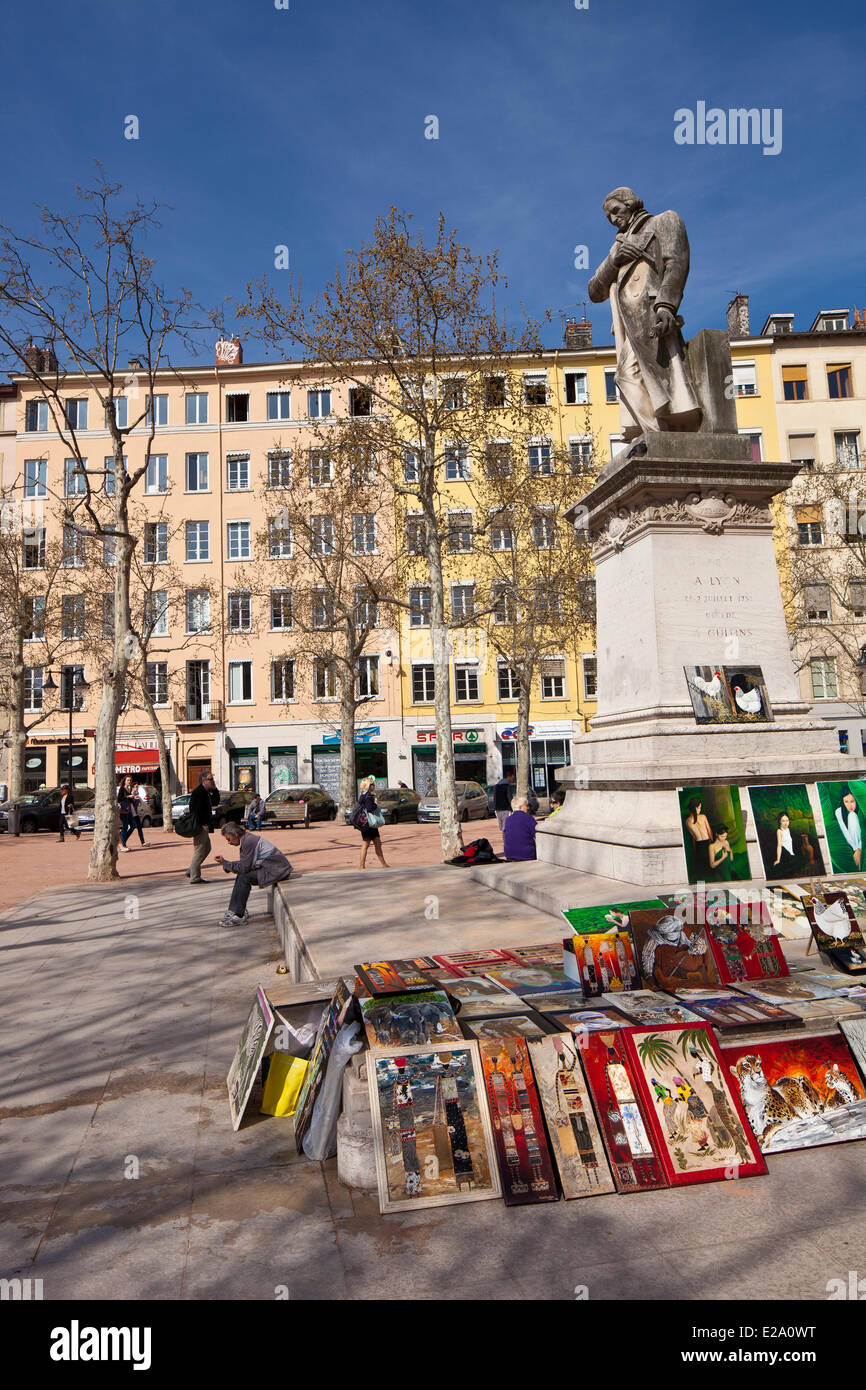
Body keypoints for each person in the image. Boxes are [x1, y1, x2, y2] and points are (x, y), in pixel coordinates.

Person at [588, 186, 701, 444]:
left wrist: (666, 305)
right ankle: (657, 436)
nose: (614, 219)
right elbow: (594, 291)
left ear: (631, 204)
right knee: (625, 377)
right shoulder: (617, 247)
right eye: (609, 217)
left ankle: (660, 437)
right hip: (630, 324)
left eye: (616, 211)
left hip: (653, 315)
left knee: (635, 376)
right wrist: (614, 260)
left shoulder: (664, 221)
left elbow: (677, 264)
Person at [214, 823, 293, 928]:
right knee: (242, 876)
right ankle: (235, 910)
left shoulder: (249, 842)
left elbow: (244, 868)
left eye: (229, 839)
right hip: (272, 868)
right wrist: (226, 863)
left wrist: (226, 864)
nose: (229, 842)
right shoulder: (247, 839)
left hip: (277, 870)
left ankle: (239, 915)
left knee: (244, 877)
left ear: (236, 835)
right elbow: (246, 864)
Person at [187, 770, 219, 883]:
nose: (212, 781)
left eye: (212, 779)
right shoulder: (198, 792)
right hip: (200, 825)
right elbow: (194, 810)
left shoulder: (206, 792)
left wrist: (215, 789)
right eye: (210, 779)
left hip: (204, 825)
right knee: (199, 850)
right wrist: (199, 824)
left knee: (207, 848)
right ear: (204, 781)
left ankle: (192, 869)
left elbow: (216, 802)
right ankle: (194, 876)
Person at [354, 775, 389, 869]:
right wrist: (376, 803)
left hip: (365, 823)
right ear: (368, 786)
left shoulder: (362, 795)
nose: (374, 786)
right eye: (372, 784)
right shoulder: (368, 796)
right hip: (369, 824)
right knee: (367, 844)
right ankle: (362, 866)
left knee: (375, 843)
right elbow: (369, 808)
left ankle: (383, 864)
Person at [503, 795, 537, 861]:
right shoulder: (528, 818)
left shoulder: (508, 820)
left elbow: (505, 835)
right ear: (520, 807)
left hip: (509, 854)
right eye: (526, 806)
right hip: (526, 854)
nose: (528, 808)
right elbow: (537, 834)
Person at [835, 787, 863, 870]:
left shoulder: (861, 810)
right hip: (852, 846)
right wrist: (856, 849)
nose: (849, 805)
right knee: (852, 815)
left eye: (852, 801)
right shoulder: (839, 812)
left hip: (862, 844)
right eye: (846, 801)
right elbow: (844, 831)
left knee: (852, 815)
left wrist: (860, 848)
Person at [684, 799, 712, 876]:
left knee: (702, 868)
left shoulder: (687, 821)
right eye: (699, 807)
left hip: (698, 844)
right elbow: (709, 831)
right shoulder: (703, 817)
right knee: (710, 865)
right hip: (707, 842)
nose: (700, 809)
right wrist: (712, 841)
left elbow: (692, 834)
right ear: (695, 808)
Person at [117, 775, 145, 851]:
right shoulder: (122, 789)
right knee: (125, 827)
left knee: (133, 825)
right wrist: (128, 796)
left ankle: (123, 840)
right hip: (123, 810)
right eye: (128, 780)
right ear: (124, 781)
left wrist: (133, 798)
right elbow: (119, 799)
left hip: (128, 810)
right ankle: (123, 845)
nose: (129, 781)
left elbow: (129, 800)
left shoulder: (128, 789)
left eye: (130, 780)